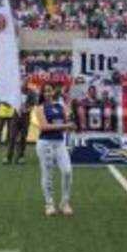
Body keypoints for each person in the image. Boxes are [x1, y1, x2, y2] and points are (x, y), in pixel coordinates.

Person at [34, 82, 73, 215]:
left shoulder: (60, 105)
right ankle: (49, 203)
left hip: (60, 142)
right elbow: (44, 127)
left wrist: (70, 119)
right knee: (47, 174)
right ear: (42, 94)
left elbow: (68, 121)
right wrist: (66, 126)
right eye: (46, 91)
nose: (49, 93)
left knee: (67, 171)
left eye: (50, 91)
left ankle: (64, 202)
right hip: (45, 142)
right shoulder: (39, 108)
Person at [6, 85, 38, 164]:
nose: (24, 82)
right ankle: (8, 157)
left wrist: (27, 110)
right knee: (12, 137)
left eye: (25, 79)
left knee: (23, 137)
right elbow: (10, 103)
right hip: (16, 116)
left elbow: (34, 104)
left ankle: (21, 156)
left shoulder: (31, 93)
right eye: (22, 79)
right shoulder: (15, 92)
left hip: (25, 117)